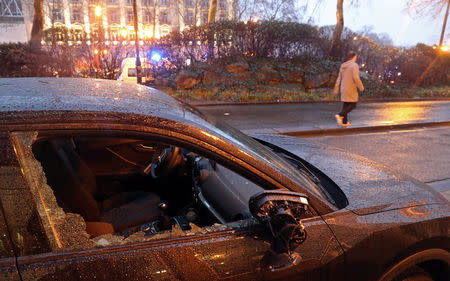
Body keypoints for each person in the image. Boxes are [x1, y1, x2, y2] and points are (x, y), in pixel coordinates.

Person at [333, 51, 364, 127]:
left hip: (343, 88)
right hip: (351, 88)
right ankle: (340, 115)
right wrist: (361, 87)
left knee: (346, 104)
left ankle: (344, 122)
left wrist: (336, 88)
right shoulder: (354, 65)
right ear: (354, 57)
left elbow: (339, 78)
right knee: (353, 105)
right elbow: (356, 78)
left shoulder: (343, 66)